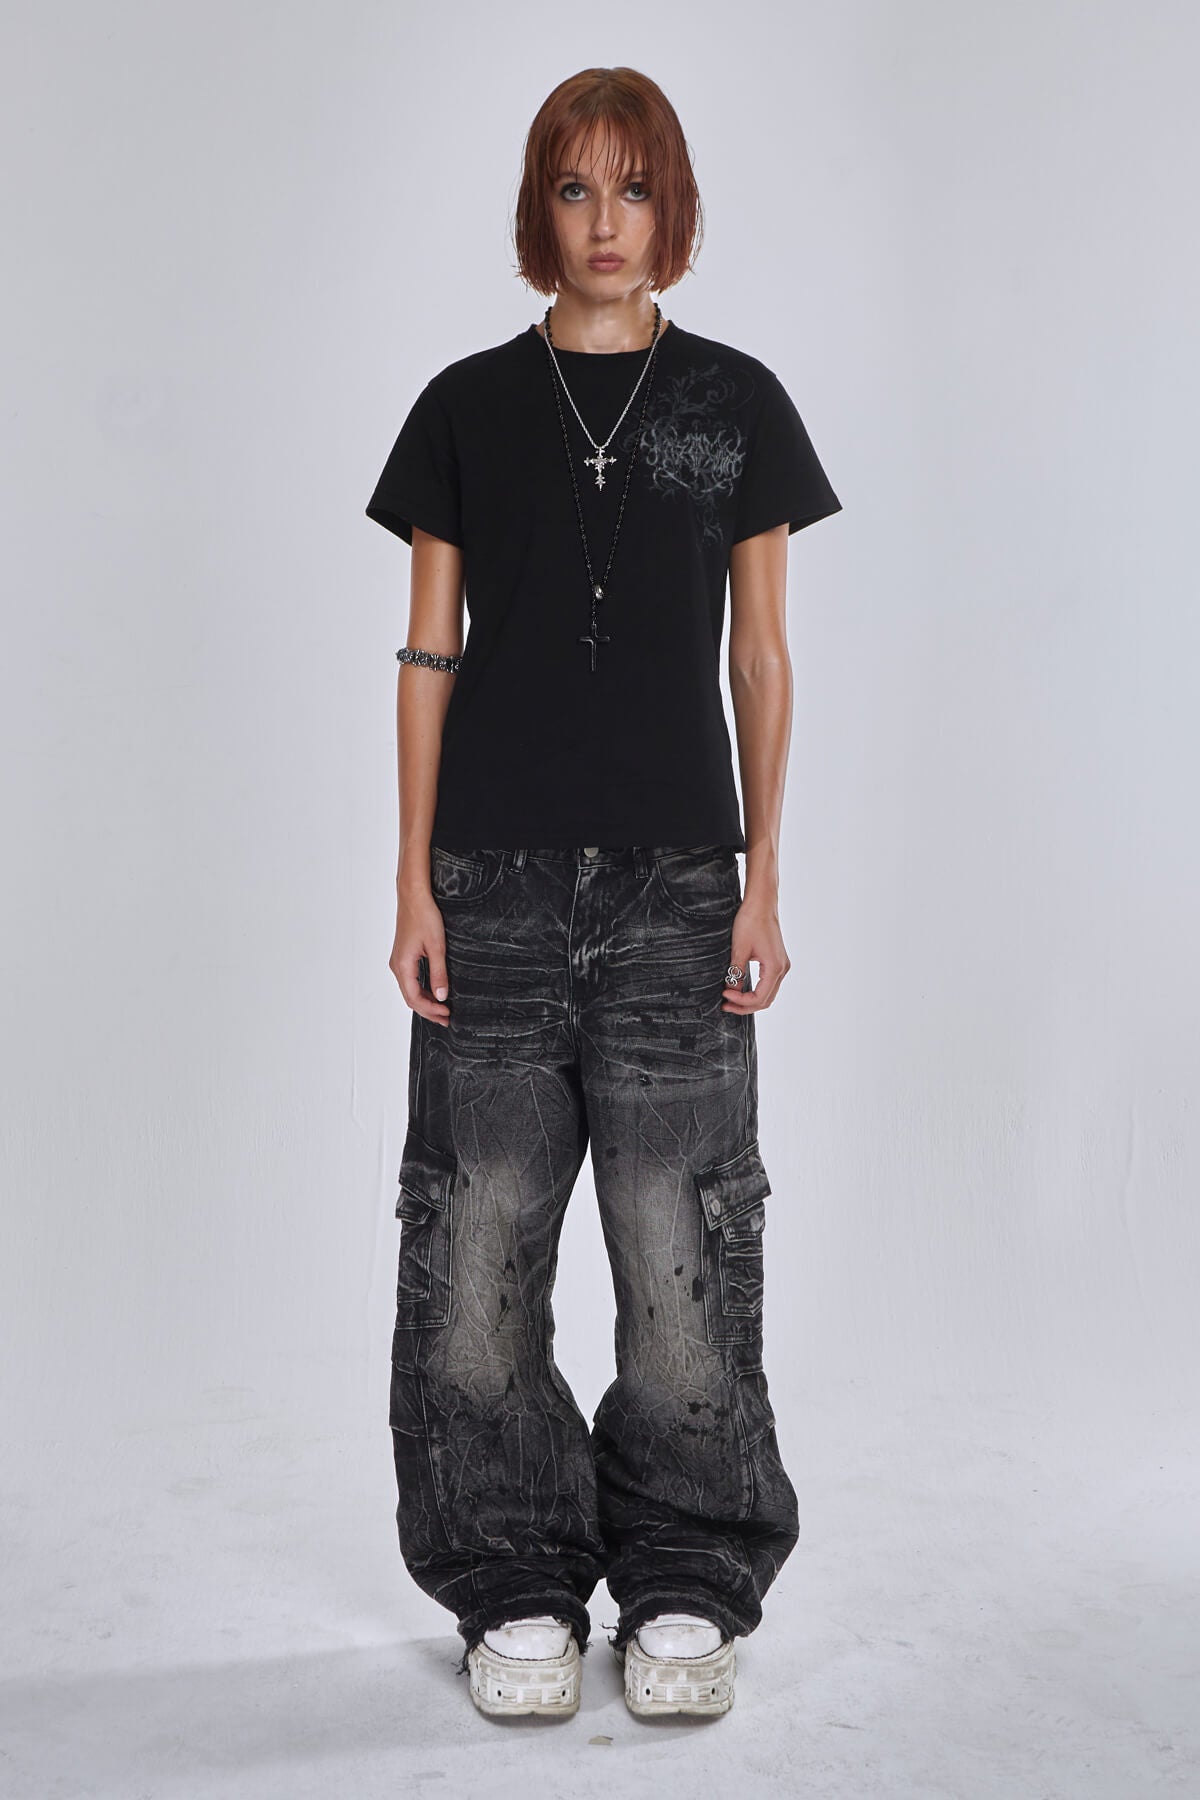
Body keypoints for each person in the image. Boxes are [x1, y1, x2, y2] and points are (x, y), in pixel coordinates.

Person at [364, 65, 842, 1721]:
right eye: (575, 190)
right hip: (489, 886)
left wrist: (763, 877)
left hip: (676, 888)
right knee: (478, 1240)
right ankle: (511, 1577)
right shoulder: (462, 409)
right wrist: (413, 874)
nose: (606, 223)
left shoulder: (736, 402)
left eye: (635, 190)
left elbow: (761, 657)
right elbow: (428, 655)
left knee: (680, 1236)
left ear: (673, 209)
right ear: (538, 211)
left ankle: (689, 1576)